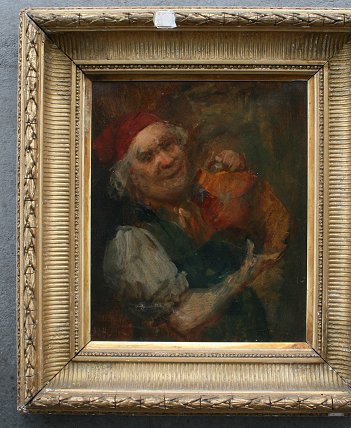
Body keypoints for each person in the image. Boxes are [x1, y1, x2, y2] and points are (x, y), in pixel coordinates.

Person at [93, 112, 290, 341]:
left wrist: (241, 180)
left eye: (167, 145)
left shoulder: (203, 201)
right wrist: (248, 272)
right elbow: (184, 318)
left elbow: (275, 230)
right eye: (147, 157)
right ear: (131, 179)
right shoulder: (130, 243)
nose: (166, 161)